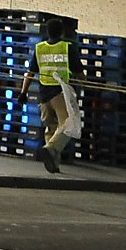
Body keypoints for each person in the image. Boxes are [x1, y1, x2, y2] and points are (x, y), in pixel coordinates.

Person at [16, 18, 77, 174]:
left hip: (43, 95)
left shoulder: (39, 48)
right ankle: (50, 148)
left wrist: (23, 93)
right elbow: (80, 74)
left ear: (47, 32)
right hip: (60, 93)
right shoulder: (67, 48)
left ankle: (54, 164)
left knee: (51, 128)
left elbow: (29, 74)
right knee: (68, 125)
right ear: (62, 32)